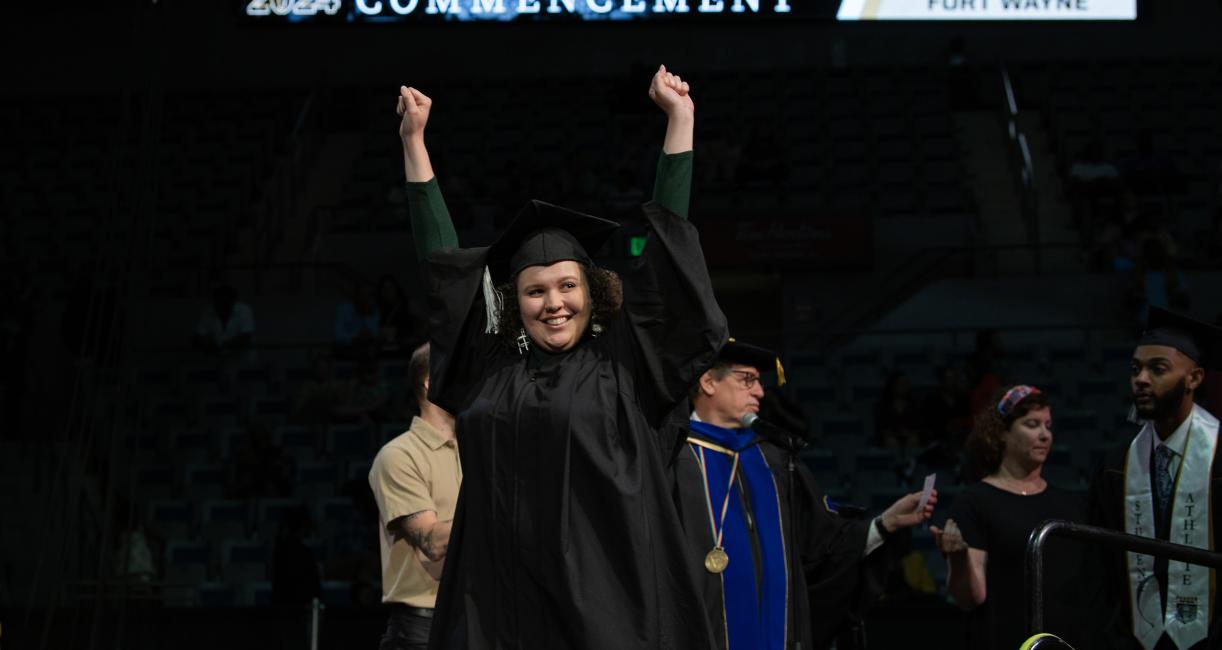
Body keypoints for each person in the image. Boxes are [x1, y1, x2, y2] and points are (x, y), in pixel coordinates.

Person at [400, 65, 727, 650]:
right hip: (506, 610)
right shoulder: (491, 372)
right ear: (515, 302)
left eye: (567, 287)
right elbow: (445, 273)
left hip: (613, 611)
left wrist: (681, 124)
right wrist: (414, 144)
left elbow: (667, 258)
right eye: (535, 291)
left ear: (592, 291)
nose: (554, 303)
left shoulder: (627, 366)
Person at [675, 340, 935, 650]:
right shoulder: (672, 461)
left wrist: (884, 524)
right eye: (748, 379)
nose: (759, 391)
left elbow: (821, 548)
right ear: (708, 382)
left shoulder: (775, 460)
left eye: (759, 381)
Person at [1089, 307, 1222, 650]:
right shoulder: (1116, 463)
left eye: (1157, 369)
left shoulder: (1219, 453)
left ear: (1194, 378)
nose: (1141, 379)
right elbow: (1101, 567)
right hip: (1134, 639)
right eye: (1135, 369)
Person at [932, 385, 1097, 650]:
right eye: (1032, 424)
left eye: (1048, 425)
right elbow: (970, 598)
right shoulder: (975, 503)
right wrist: (959, 559)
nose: (1044, 434)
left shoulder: (1073, 504)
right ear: (1002, 433)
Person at [369, 343, 460, 650]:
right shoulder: (399, 456)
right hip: (422, 630)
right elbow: (432, 542)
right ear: (430, 382)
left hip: (478, 620)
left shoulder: (479, 449)